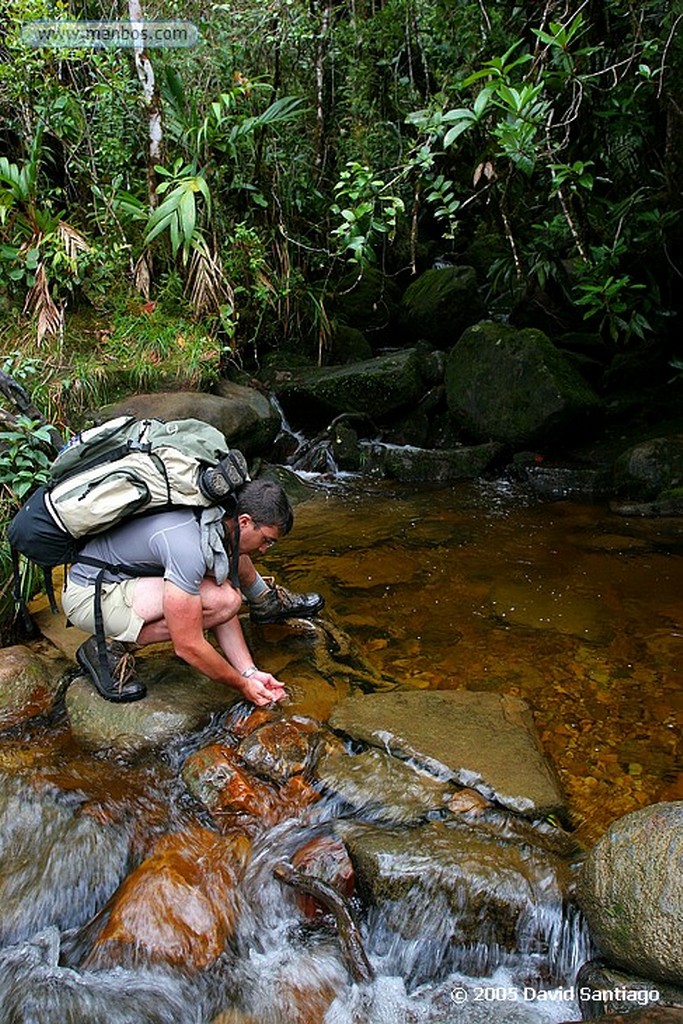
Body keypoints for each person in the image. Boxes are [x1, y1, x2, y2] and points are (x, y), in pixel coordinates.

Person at [61, 480, 324, 707]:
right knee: (220, 602)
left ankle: (266, 603)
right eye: (267, 540)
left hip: (121, 576)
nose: (266, 550)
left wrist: (250, 672)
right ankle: (106, 649)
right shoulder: (188, 546)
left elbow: (225, 609)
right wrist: (241, 685)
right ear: (244, 521)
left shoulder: (216, 518)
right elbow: (187, 646)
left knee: (227, 598)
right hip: (89, 595)